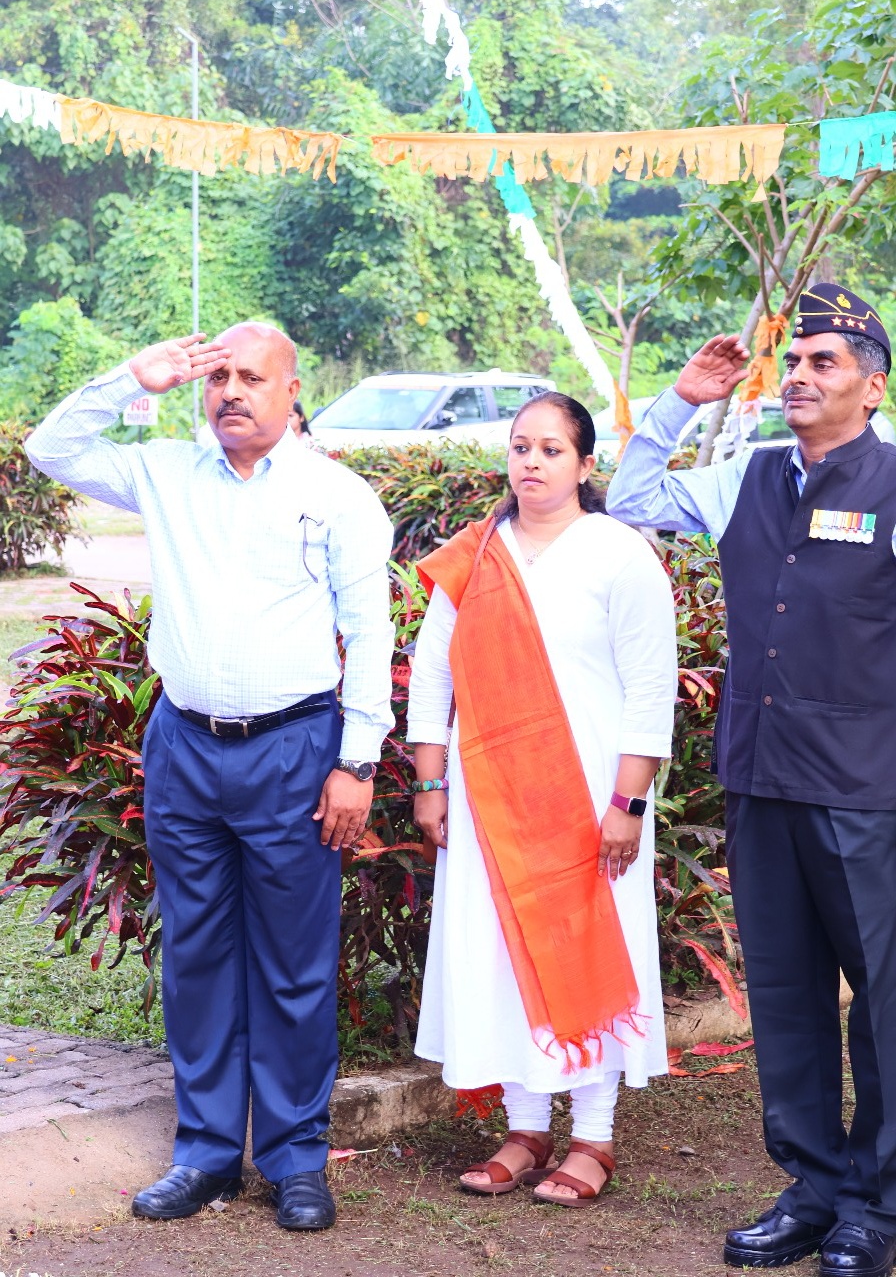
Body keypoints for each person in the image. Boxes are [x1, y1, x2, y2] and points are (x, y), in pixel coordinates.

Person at [24, 324, 394, 1233]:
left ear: (293, 388)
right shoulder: (166, 473)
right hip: (185, 748)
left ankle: (296, 1160)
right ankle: (205, 1154)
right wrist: (131, 377)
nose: (230, 390)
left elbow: (370, 631)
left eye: (251, 376)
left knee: (295, 966)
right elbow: (51, 449)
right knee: (196, 958)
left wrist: (356, 762)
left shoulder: (336, 495)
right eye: (217, 375)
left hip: (294, 750)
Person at [606, 283, 896, 1277]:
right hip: (762, 778)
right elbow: (630, 499)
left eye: (824, 362)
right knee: (784, 994)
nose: (799, 376)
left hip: (864, 788)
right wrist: (680, 402)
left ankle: (877, 1206)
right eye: (795, 360)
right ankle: (812, 1188)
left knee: (882, 1001)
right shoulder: (748, 474)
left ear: (871, 383)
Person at [407, 391, 677, 1205]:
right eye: (521, 446)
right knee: (501, 949)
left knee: (587, 945)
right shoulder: (476, 554)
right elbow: (432, 676)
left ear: (585, 464)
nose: (532, 461)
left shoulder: (619, 553)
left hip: (590, 794)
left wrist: (628, 803)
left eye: (552, 449)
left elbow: (650, 689)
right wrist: (430, 782)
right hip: (488, 795)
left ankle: (593, 1137)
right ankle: (525, 1129)